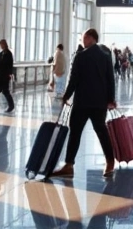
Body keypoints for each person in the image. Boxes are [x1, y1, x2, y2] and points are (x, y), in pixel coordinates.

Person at [52, 28, 117, 178]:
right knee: (102, 132)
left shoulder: (80, 56)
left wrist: (65, 96)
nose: (82, 41)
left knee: (75, 133)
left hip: (82, 102)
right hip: (99, 102)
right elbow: (110, 79)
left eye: (83, 38)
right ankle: (109, 162)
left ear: (89, 38)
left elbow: (74, 79)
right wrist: (111, 99)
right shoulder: (106, 55)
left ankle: (69, 165)